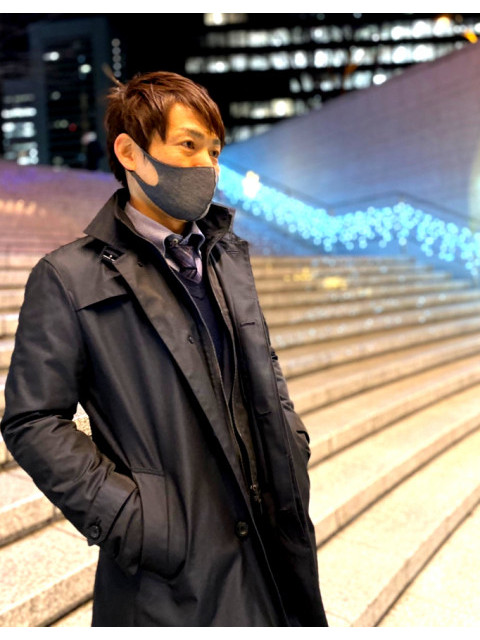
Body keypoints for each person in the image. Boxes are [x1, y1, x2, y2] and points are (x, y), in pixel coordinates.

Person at [1, 71, 328, 627]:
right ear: (130, 152)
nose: (206, 165)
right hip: (171, 577)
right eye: (188, 144)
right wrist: (132, 518)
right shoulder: (68, 277)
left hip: (272, 546)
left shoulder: (225, 258)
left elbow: (261, 367)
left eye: (214, 151)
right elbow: (33, 419)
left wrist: (291, 445)